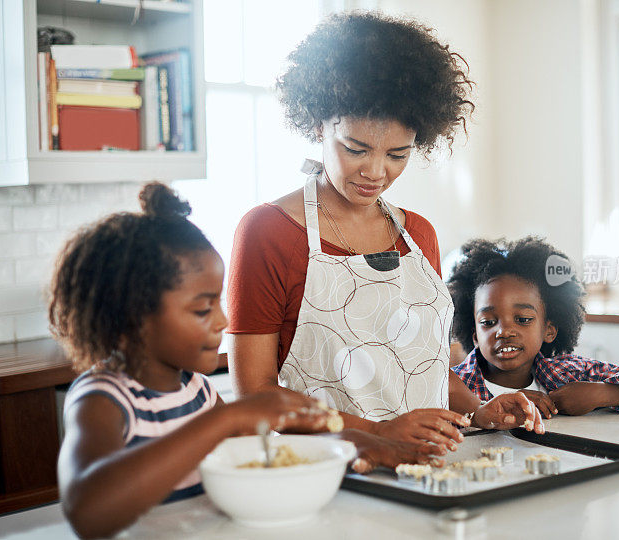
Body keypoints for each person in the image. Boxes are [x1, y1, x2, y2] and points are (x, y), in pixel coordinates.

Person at [227, 10, 543, 459]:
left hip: (436, 465)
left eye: (398, 154)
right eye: (355, 149)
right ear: (319, 124)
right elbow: (254, 396)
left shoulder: (418, 235)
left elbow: (424, 369)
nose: (376, 172)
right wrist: (379, 432)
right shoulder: (268, 232)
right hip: (337, 472)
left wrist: (480, 410)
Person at [50, 183, 416, 538]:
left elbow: (266, 455)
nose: (222, 321)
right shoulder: (103, 400)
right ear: (131, 316)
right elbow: (88, 511)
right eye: (202, 309)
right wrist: (228, 418)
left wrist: (348, 443)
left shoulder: (197, 391)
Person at [449, 237, 619, 417]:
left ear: (549, 330)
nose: (504, 331)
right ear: (475, 334)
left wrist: (602, 394)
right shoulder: (451, 386)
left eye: (522, 319)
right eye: (488, 322)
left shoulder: (566, 373)